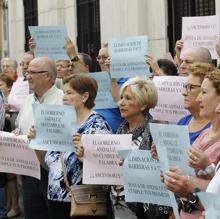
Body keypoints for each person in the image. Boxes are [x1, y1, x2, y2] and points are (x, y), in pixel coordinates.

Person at [28, 74, 112, 219]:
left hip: (84, 202)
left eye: (69, 93)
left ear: (85, 96)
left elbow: (105, 168)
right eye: (64, 92)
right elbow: (49, 165)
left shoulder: (97, 125)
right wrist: (37, 142)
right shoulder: (62, 123)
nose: (64, 97)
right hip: (55, 199)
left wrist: (83, 157)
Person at [164, 69, 220, 219]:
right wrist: (170, 173)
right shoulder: (204, 135)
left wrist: (206, 167)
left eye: (204, 92)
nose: (199, 98)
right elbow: (188, 172)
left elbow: (216, 190)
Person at [15, 56, 63, 219]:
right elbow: (20, 125)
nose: (27, 76)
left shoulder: (64, 100)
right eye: (27, 72)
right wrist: (17, 132)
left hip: (52, 172)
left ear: (47, 76)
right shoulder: (28, 99)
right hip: (28, 171)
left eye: (32, 72)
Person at [177, 63, 213, 144]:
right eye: (185, 87)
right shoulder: (182, 122)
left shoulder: (215, 127)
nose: (184, 93)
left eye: (191, 87)